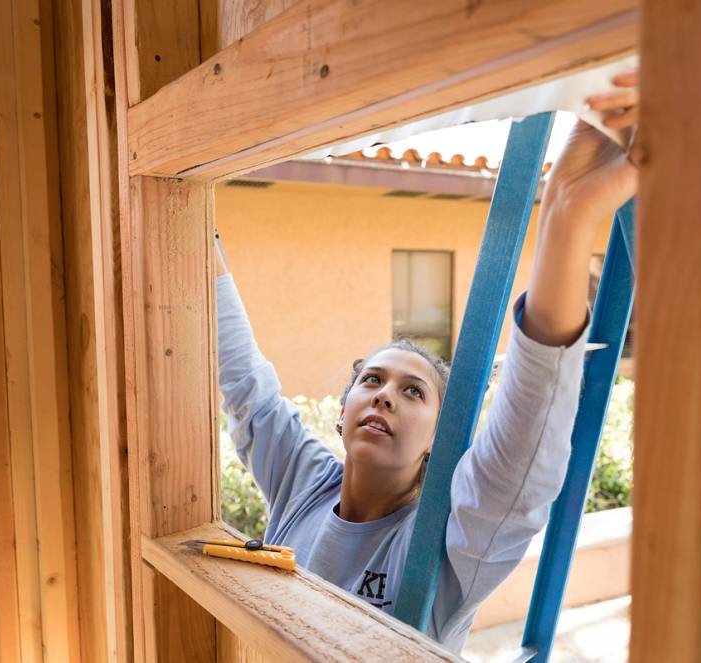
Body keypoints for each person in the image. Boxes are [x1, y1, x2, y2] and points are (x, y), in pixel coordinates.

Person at [214, 72, 639, 652]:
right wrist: (197, 230)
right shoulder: (304, 485)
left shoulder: (446, 539)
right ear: (341, 417)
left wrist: (567, 214)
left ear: (438, 443)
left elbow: (521, 452)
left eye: (414, 392)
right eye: (371, 381)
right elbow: (247, 386)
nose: (384, 394)